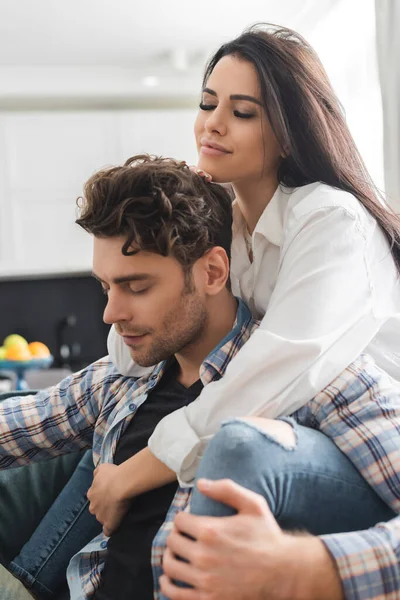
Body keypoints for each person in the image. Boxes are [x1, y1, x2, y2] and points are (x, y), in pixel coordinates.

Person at [0, 154, 397, 600]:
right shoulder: (128, 379)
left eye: (137, 287)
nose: (111, 314)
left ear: (212, 272)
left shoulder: (318, 383)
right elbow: (18, 424)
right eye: (106, 287)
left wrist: (306, 567)